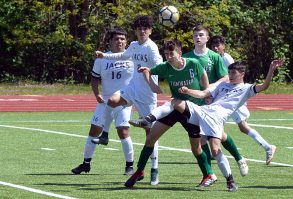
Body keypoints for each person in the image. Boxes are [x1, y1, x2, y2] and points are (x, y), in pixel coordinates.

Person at [126, 39, 221, 189]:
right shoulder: (165, 67)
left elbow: (205, 85)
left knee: (196, 148)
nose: (169, 57)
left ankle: (208, 174)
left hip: (192, 111)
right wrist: (150, 81)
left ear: (180, 53)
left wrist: (204, 96)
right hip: (174, 108)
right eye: (166, 54)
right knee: (151, 138)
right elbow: (149, 71)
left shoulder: (193, 64)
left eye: (171, 54)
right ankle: (139, 171)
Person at [93, 15, 163, 185]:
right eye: (139, 29)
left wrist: (152, 78)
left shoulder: (152, 48)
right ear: (136, 31)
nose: (142, 31)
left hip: (146, 96)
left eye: (145, 29)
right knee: (112, 101)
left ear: (150, 31)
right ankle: (105, 135)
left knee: (151, 134)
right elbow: (123, 56)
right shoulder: (133, 45)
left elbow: (160, 66)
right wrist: (104, 56)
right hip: (132, 89)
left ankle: (154, 169)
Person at [183, 25, 248, 175]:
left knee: (218, 135)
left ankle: (239, 158)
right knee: (200, 137)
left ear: (207, 38)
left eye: (201, 35)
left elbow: (225, 77)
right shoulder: (186, 57)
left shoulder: (214, 56)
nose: (198, 38)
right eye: (195, 35)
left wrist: (210, 89)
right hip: (194, 101)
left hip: (211, 102)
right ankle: (209, 173)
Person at [71, 28, 135, 175]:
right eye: (116, 39)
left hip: (124, 101)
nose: (119, 41)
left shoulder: (131, 56)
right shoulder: (102, 58)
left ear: (126, 42)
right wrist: (97, 94)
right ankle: (85, 164)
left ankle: (129, 166)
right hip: (105, 101)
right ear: (110, 41)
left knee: (123, 131)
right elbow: (94, 78)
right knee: (94, 130)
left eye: (122, 39)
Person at [210, 35, 276, 164]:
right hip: (226, 96)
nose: (215, 48)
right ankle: (268, 147)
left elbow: (236, 76)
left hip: (234, 98)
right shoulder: (215, 58)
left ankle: (268, 147)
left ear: (224, 45)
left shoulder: (226, 58)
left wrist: (240, 95)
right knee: (241, 126)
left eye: (218, 45)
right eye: (213, 46)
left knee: (236, 125)